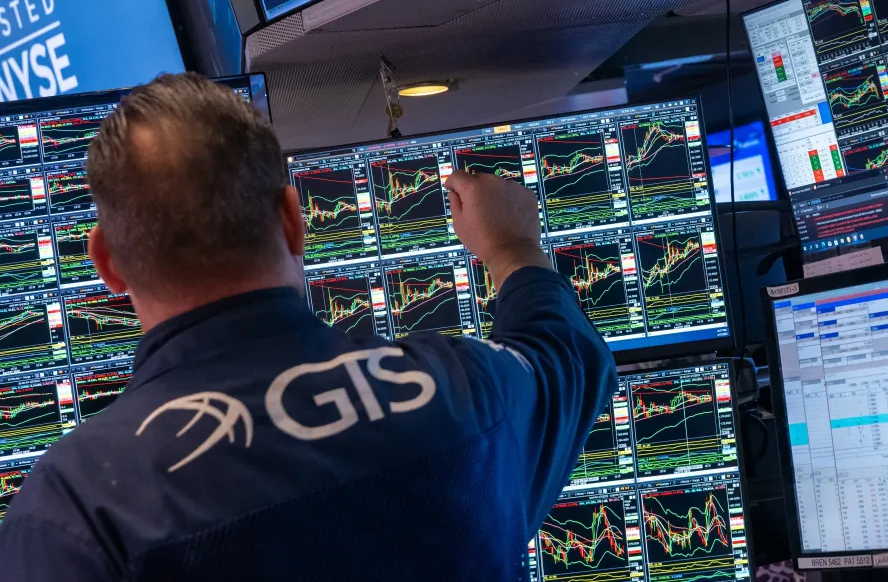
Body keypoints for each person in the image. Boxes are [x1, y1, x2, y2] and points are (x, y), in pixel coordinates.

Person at [0, 73, 616, 581]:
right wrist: (512, 247)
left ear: (107, 262)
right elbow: (569, 356)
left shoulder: (72, 512)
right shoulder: (459, 388)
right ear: (294, 221)